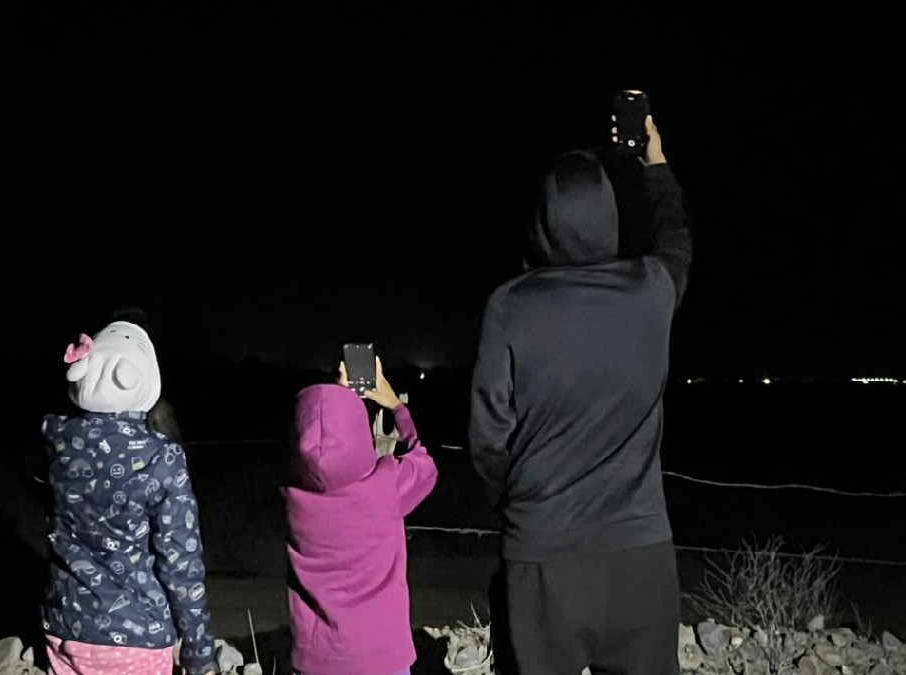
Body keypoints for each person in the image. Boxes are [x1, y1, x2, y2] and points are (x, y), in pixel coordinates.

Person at [468, 114, 693, 675]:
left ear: (542, 221)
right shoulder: (651, 290)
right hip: (641, 557)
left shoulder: (511, 306)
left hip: (544, 557)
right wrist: (656, 165)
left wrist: (520, 505)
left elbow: (488, 437)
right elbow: (676, 237)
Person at [41, 320, 217, 675]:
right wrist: (198, 649)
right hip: (137, 633)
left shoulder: (55, 442)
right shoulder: (161, 458)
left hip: (63, 626)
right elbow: (180, 561)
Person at [286, 358, 439, 675]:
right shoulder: (386, 487)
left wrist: (332, 406)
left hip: (317, 660)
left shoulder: (293, 499)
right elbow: (425, 464)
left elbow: (322, 444)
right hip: (383, 658)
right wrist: (397, 407)